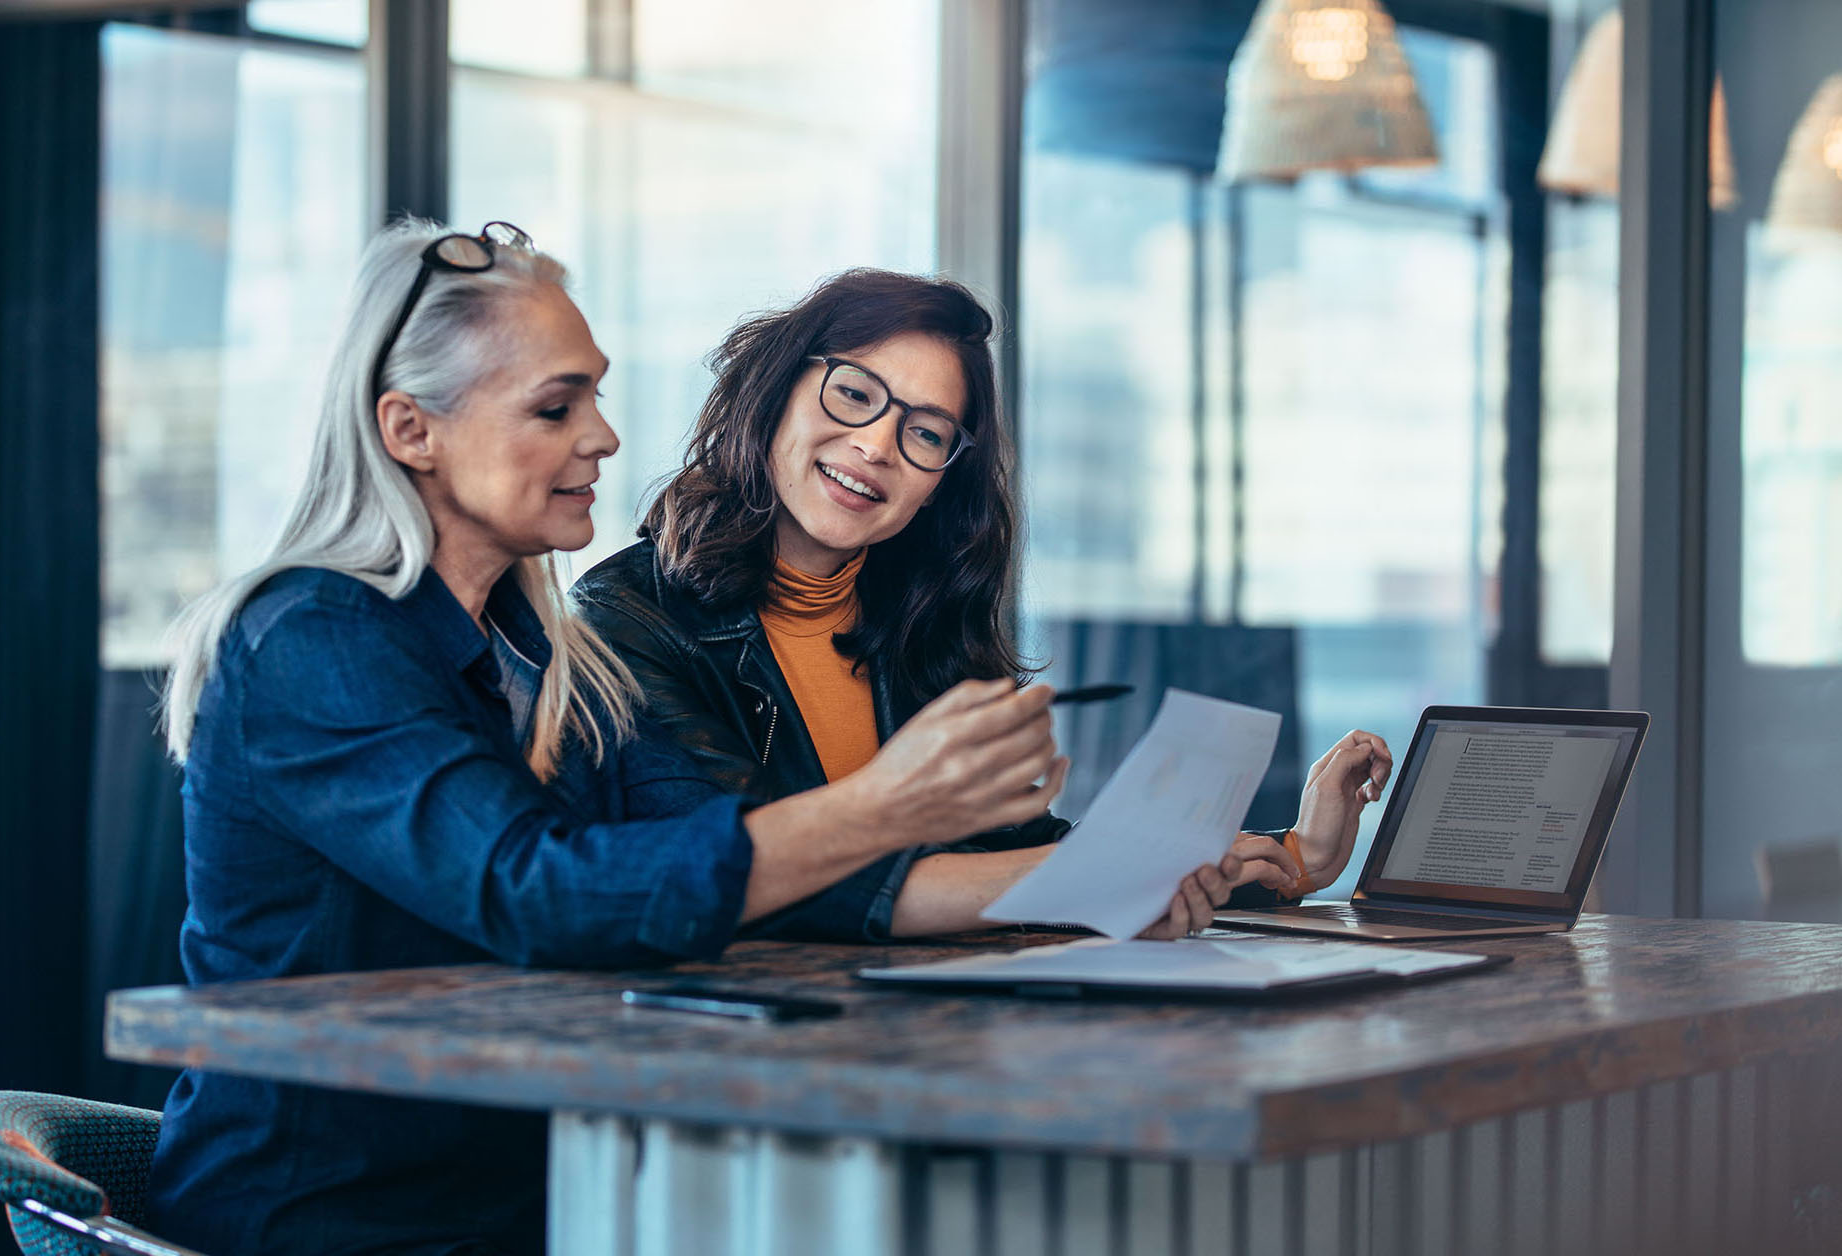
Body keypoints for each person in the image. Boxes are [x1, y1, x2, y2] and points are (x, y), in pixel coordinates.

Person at [149, 225, 1253, 1255]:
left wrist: (1136, 874)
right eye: (555, 407)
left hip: (538, 1182)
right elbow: (538, 891)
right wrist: (887, 804)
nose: (604, 436)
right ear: (411, 430)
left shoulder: (535, 649)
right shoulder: (311, 636)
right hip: (337, 1215)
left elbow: (714, 869)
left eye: (598, 396)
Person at [574, 269, 1394, 940]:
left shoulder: (917, 625)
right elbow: (753, 877)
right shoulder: (623, 621)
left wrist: (1295, 856)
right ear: (776, 391)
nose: (877, 446)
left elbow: (1011, 854)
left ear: (940, 484)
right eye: (854, 394)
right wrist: (1111, 878)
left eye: (926, 433)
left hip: (921, 1039)